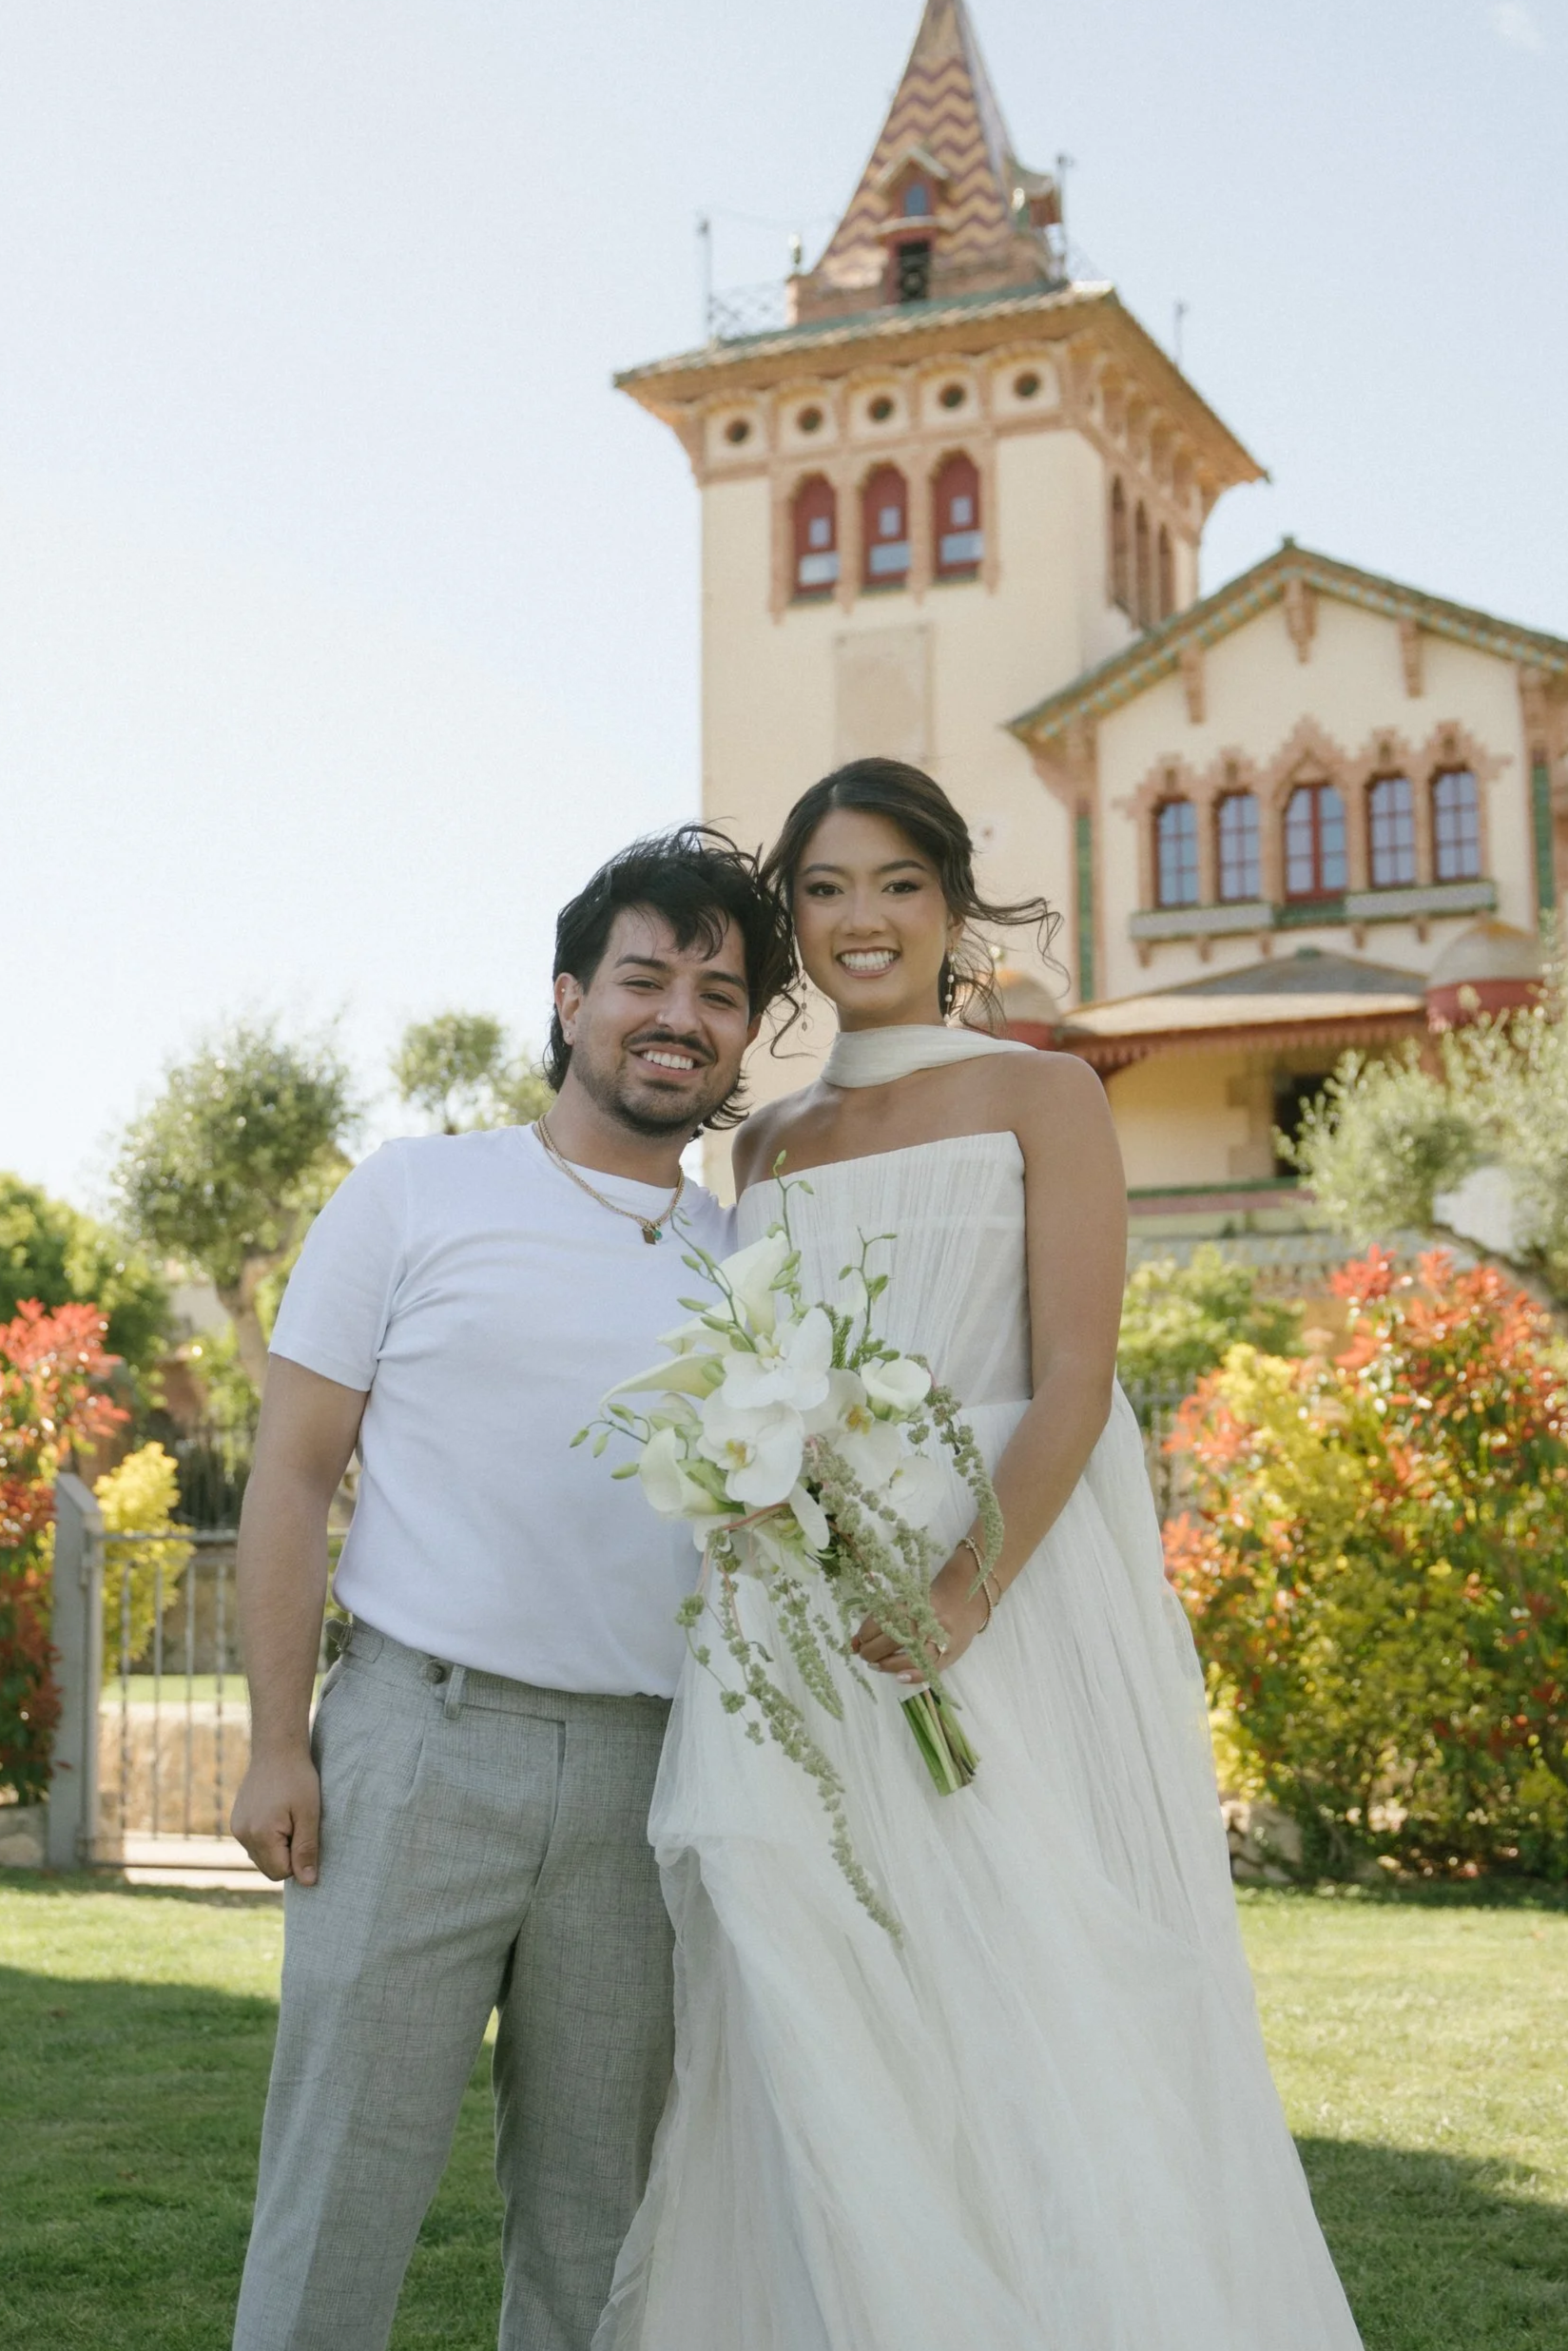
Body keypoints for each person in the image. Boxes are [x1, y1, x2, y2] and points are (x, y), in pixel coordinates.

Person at [594, 761, 1365, 2350]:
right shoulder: (770, 1148)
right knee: (811, 1986)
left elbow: (1077, 1374)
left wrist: (962, 1593)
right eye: (822, 890)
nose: (858, 918)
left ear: (949, 902)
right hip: (795, 1622)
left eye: (892, 883)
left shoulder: (1042, 1094)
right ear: (789, 922)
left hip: (991, 1602)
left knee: (1021, 1988)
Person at [228, 826, 794, 2351]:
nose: (680, 1013)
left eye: (721, 992)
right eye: (645, 977)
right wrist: (281, 1741)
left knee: (596, 2227)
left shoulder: (753, 1267)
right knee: (340, 2186)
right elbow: (289, 1477)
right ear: (567, 998)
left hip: (647, 1777)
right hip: (418, 1749)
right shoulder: (414, 1195)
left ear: (744, 1038)